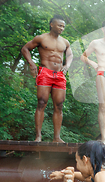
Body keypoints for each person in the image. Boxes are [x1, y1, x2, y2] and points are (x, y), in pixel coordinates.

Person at [21, 15, 73, 143]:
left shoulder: (65, 42)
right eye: (59, 25)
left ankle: (57, 138)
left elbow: (70, 54)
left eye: (63, 26)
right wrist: (31, 63)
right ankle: (38, 136)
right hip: (45, 72)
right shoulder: (41, 38)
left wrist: (67, 65)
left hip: (59, 75)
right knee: (42, 102)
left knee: (59, 105)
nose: (61, 28)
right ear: (51, 24)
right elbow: (25, 49)